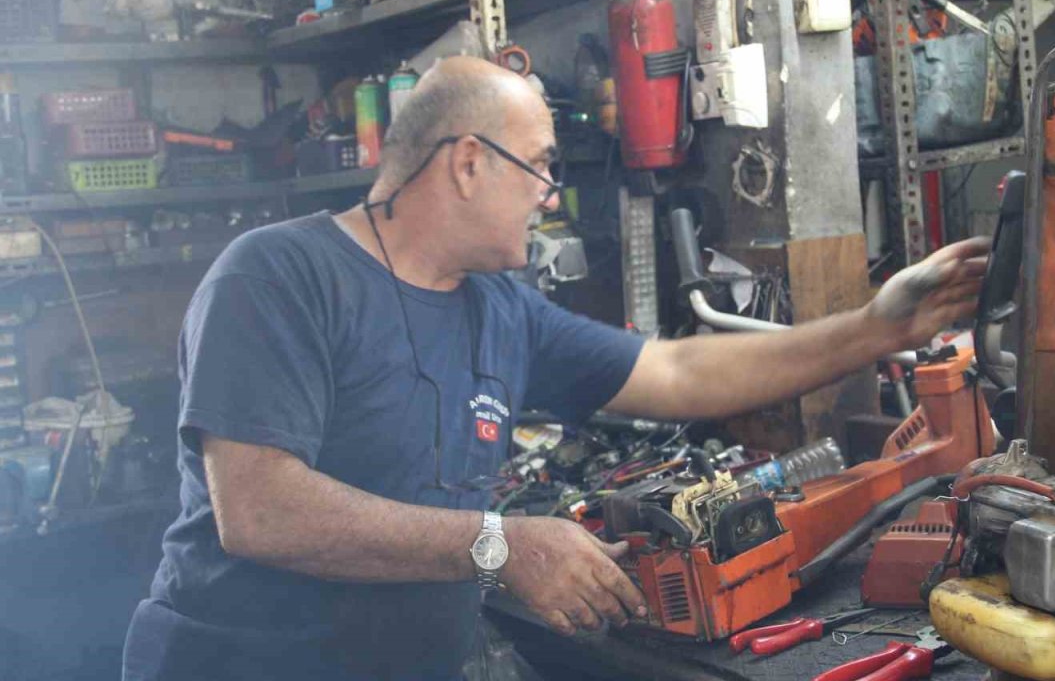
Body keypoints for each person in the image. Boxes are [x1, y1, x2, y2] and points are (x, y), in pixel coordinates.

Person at [121, 56, 989, 681]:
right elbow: (261, 509)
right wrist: (500, 543)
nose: (548, 193)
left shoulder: (498, 309)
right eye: (536, 165)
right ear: (466, 162)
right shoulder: (278, 276)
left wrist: (877, 326)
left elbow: (681, 374)